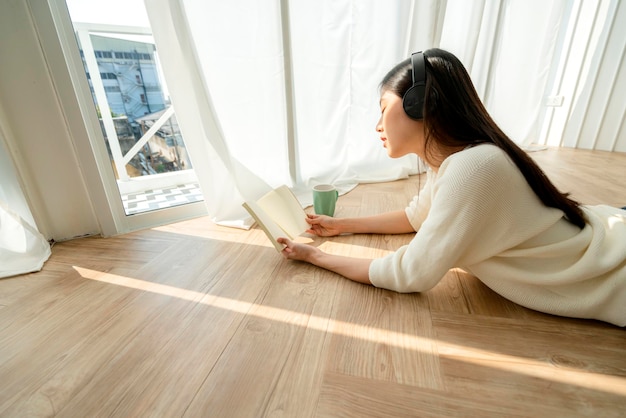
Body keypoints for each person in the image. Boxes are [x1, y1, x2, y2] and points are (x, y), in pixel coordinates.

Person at [277, 48, 626, 327]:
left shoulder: (473, 167)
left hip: (611, 275)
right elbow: (417, 217)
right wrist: (342, 225)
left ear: (418, 105)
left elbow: (410, 273)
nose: (377, 126)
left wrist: (314, 256)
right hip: (603, 237)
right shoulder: (456, 160)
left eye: (383, 109)